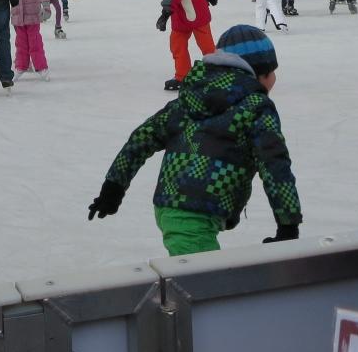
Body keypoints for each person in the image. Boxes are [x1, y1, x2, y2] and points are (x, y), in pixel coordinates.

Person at [87, 25, 301, 255]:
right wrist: (288, 224)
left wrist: (113, 188)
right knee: (202, 276)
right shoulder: (256, 108)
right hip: (191, 216)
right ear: (262, 74)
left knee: (202, 272)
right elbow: (275, 164)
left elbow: (140, 139)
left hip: (172, 206)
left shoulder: (187, 100)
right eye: (273, 72)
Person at [12, 0, 51, 80]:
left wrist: (46, 5)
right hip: (17, 15)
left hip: (32, 15)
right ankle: (20, 67)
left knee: (35, 42)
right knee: (20, 43)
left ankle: (41, 67)